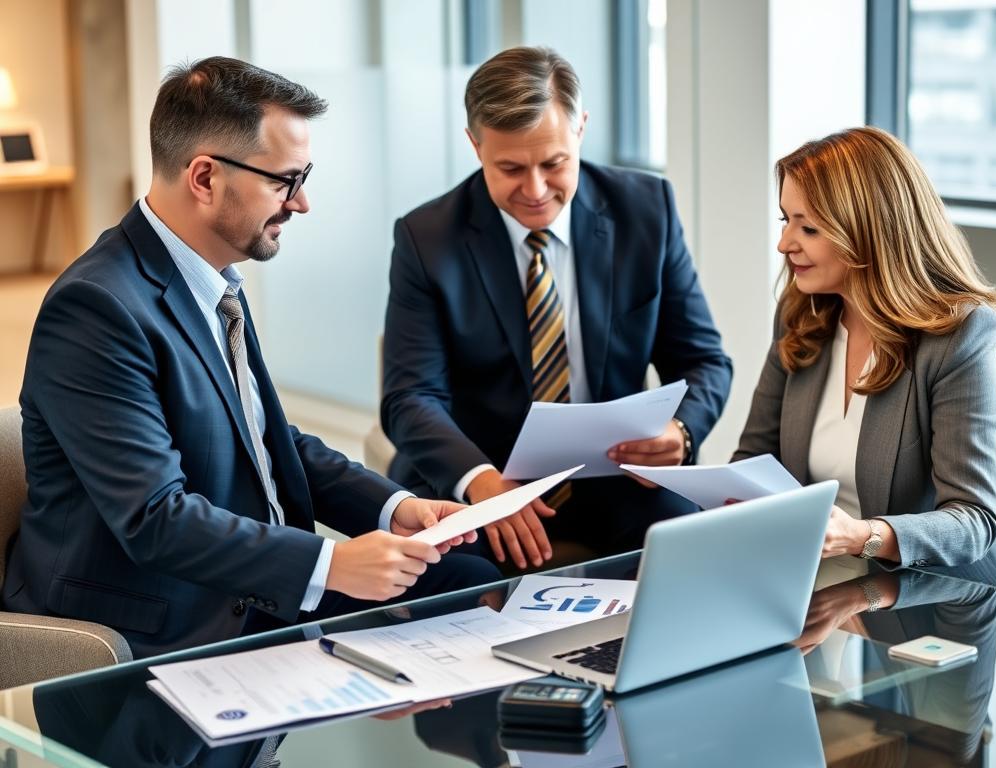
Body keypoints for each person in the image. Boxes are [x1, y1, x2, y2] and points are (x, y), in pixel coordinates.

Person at [1, 57, 498, 659]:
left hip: (247, 586)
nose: (302, 202)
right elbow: (155, 518)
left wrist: (394, 507)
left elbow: (265, 440)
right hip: (149, 623)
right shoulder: (94, 308)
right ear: (205, 177)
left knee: (471, 581)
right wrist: (332, 563)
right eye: (284, 180)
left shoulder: (215, 281)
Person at [381, 46, 732, 570]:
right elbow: (410, 397)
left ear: (581, 129)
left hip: (618, 477)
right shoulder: (427, 237)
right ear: (475, 146)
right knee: (454, 584)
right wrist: (483, 481)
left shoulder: (646, 210)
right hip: (484, 478)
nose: (536, 190)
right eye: (511, 168)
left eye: (554, 163)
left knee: (699, 560)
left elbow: (704, 360)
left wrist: (679, 432)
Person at [733, 125, 996, 568]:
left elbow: (973, 520)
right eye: (786, 220)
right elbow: (754, 458)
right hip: (817, 575)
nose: (784, 244)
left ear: (868, 230)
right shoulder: (801, 315)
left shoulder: (960, 334)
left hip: (933, 592)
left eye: (809, 228)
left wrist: (861, 536)